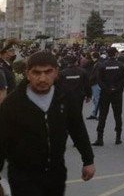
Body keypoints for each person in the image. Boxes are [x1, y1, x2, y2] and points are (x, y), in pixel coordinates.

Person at [0, 51, 95, 196]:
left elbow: (77, 128)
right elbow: (2, 139)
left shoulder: (65, 97)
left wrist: (88, 160)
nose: (42, 78)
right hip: (23, 176)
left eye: (48, 72)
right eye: (36, 73)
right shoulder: (13, 103)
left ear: (56, 72)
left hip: (55, 174)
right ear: (27, 73)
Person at [93, 47, 124, 146]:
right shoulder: (120, 65)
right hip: (117, 93)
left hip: (105, 93)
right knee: (117, 115)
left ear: (107, 54)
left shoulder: (103, 65)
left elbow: (99, 80)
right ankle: (118, 138)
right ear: (116, 53)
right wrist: (116, 88)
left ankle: (100, 138)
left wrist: (106, 89)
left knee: (102, 115)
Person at [58, 55, 92, 126]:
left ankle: (67, 126)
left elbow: (59, 86)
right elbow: (87, 85)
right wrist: (89, 95)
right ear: (76, 62)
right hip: (78, 96)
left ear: (67, 62)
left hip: (66, 97)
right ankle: (77, 126)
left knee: (66, 112)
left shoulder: (62, 73)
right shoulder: (82, 72)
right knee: (78, 112)